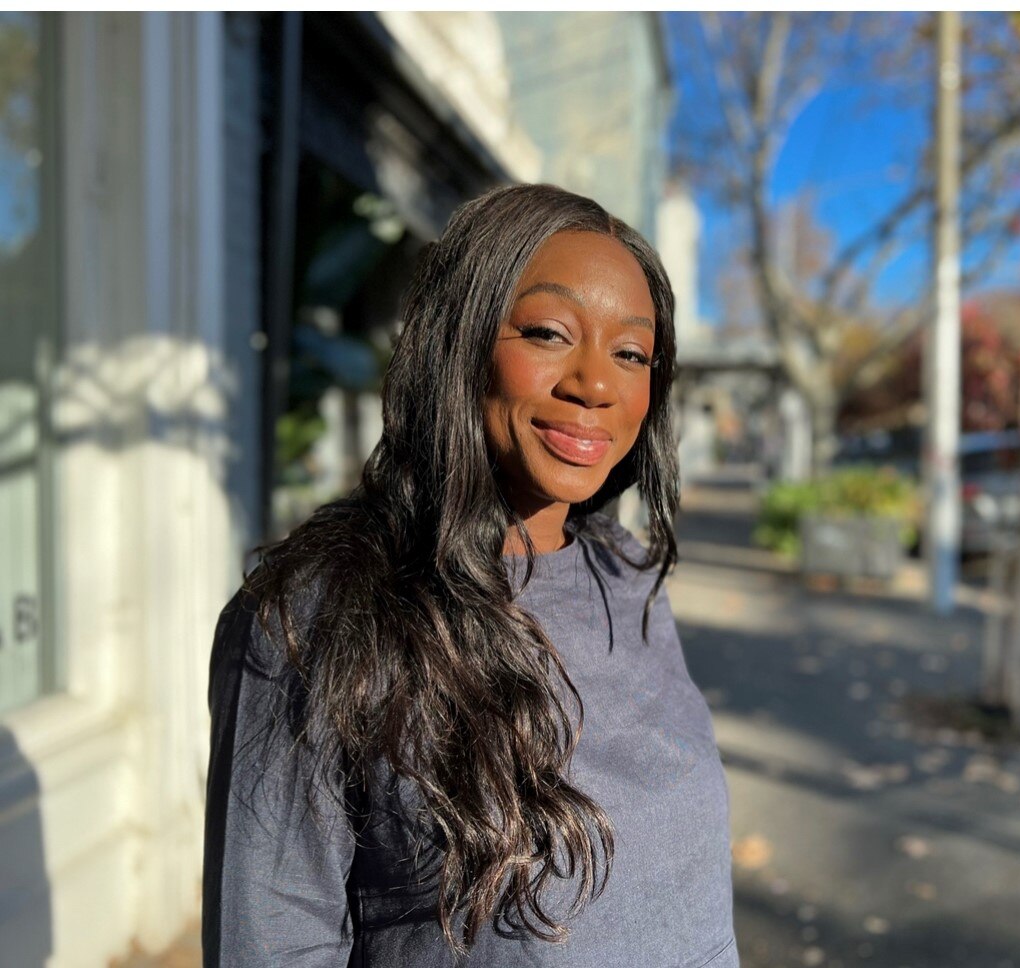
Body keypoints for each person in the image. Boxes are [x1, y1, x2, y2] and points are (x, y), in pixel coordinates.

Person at [202, 184, 739, 967]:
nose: (596, 384)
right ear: (459, 340)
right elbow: (272, 940)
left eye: (631, 352)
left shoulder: (627, 577)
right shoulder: (317, 613)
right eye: (551, 332)